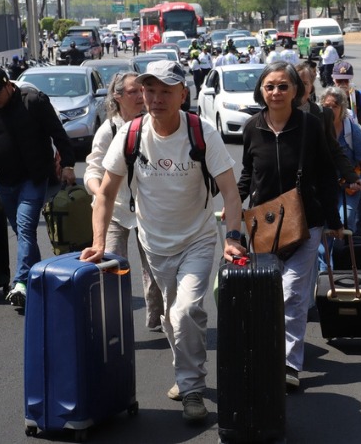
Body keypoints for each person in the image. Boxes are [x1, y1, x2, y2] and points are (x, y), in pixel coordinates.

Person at [80, 61, 246, 423]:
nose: (155, 98)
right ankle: (187, 372)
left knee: (186, 311)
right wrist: (97, 242)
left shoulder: (201, 133)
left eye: (165, 91)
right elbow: (105, 194)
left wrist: (232, 238)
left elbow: (231, 193)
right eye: (149, 90)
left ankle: (192, 388)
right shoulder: (130, 134)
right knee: (172, 318)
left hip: (197, 241)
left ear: (182, 95)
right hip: (154, 245)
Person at [238, 62, 344, 390]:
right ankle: (270, 350)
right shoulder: (252, 128)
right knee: (268, 294)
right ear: (261, 90)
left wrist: (334, 220)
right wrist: (229, 204)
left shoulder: (311, 127)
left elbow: (327, 175)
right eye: (270, 86)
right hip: (264, 226)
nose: (276, 92)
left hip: (306, 222)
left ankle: (288, 364)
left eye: (284, 86)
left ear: (296, 91)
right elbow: (247, 175)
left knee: (293, 293)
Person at [0, 67, 77, 307]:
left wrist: (67, 164)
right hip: (5, 180)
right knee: (23, 234)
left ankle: (21, 284)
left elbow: (58, 133)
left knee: (25, 229)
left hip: (33, 179)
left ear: (8, 86)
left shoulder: (33, 101)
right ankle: (37, 280)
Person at [84, 72, 163, 332]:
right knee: (112, 267)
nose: (142, 96)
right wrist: (101, 194)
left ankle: (158, 319)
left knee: (154, 269)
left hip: (147, 209)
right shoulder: (108, 131)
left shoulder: (152, 125)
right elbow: (92, 171)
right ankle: (113, 322)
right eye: (133, 92)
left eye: (143, 91)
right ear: (117, 97)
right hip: (115, 211)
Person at [320, 86, 361, 234]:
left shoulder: (352, 131)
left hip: (351, 184)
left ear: (342, 108)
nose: (330, 110)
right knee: (324, 225)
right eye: (326, 106)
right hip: (327, 185)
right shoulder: (317, 129)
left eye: (334, 106)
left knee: (345, 220)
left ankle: (343, 254)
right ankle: (328, 257)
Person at [333, 61, 361, 170]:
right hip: (338, 153)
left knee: (360, 183)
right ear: (333, 79)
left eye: (346, 81)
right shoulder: (329, 99)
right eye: (339, 81)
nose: (343, 84)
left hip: (358, 152)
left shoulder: (360, 97)